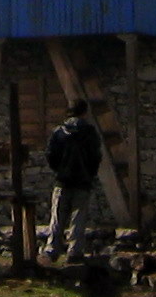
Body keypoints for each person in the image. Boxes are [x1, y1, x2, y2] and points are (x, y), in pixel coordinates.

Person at [40, 101, 107, 257]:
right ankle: (75, 250)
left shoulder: (59, 132)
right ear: (84, 112)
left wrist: (59, 169)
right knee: (78, 217)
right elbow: (96, 156)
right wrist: (90, 173)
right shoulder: (90, 132)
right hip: (83, 180)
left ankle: (52, 249)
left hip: (63, 180)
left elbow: (50, 154)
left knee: (57, 216)